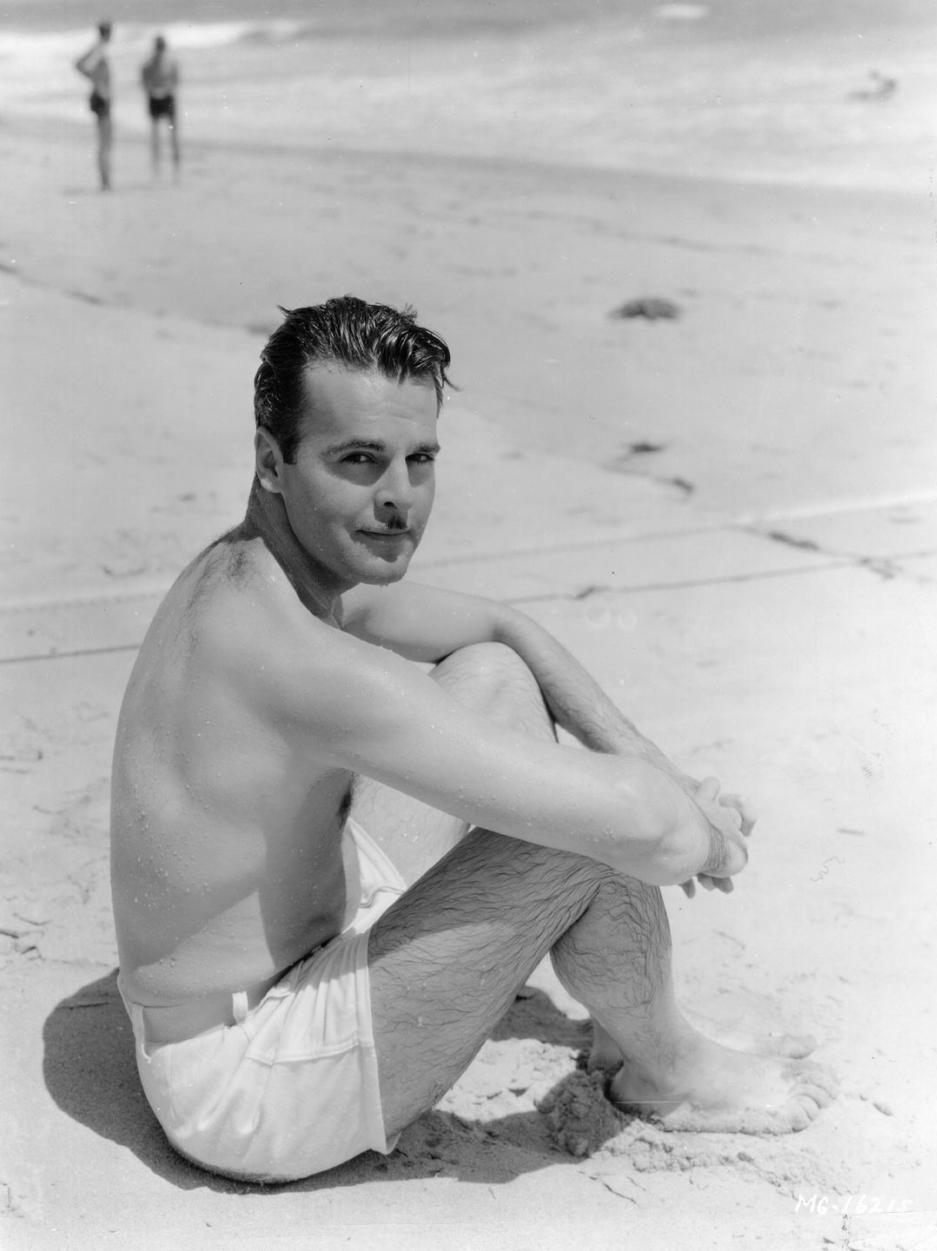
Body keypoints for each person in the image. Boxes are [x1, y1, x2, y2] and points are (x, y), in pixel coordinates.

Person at [110, 296, 835, 1183]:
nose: (397, 499)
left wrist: (660, 770)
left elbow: (502, 626)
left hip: (286, 950)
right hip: (244, 1079)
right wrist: (700, 827)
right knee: (589, 830)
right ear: (272, 460)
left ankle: (628, 1016)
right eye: (359, 461)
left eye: (420, 459)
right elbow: (649, 828)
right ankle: (668, 1067)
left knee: (493, 676)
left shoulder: (263, 574)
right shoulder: (296, 659)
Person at [74, 21, 113, 191]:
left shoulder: (98, 47)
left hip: (98, 95)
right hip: (101, 97)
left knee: (104, 141)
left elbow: (80, 65)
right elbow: (79, 65)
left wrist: (92, 79)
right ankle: (105, 181)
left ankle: (105, 180)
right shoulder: (100, 48)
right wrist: (96, 81)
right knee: (105, 142)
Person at [140, 35, 180, 176]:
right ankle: (158, 166)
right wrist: (156, 90)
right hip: (158, 98)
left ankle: (174, 165)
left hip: (164, 97)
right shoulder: (150, 64)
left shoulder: (167, 63)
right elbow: (144, 82)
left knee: (171, 134)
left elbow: (175, 81)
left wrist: (160, 89)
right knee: (158, 134)